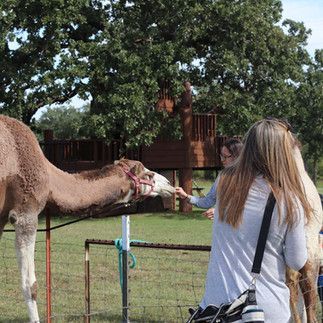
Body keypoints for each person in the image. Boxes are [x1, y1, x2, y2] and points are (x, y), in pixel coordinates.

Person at [198, 118, 311, 323]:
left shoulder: (225, 183)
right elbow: (296, 261)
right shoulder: (289, 200)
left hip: (216, 308)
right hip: (263, 310)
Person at [175, 138, 243, 219]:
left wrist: (219, 212)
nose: (222, 160)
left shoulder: (250, 179)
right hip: (221, 230)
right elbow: (208, 201)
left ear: (237, 156)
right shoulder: (222, 176)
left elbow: (246, 209)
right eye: (221, 156)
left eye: (225, 157)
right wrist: (186, 196)